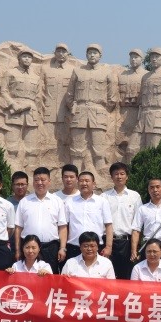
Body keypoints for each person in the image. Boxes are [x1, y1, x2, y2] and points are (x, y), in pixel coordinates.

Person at [65, 43, 118, 181]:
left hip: (98, 112)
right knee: (77, 146)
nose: (92, 55)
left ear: (100, 55)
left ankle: (101, 175)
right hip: (80, 111)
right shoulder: (78, 71)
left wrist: (102, 109)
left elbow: (112, 97)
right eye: (90, 53)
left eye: (95, 53)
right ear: (86, 55)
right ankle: (74, 174)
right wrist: (74, 106)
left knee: (99, 146)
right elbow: (69, 95)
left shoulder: (107, 72)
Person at [14, 167, 68, 274]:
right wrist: (17, 250)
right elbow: (18, 228)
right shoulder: (24, 202)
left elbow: (62, 227)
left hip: (50, 248)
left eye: (43, 180)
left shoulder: (57, 201)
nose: (40, 183)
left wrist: (62, 248)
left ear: (49, 181)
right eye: (36, 180)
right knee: (27, 275)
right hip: (29, 248)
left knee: (49, 277)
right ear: (33, 182)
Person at [0, 48, 43, 165]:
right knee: (11, 146)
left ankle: (31, 170)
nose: (27, 59)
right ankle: (11, 168)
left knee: (32, 148)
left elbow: (38, 96)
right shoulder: (10, 73)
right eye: (24, 57)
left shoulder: (36, 77)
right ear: (19, 59)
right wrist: (12, 104)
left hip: (31, 112)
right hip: (15, 110)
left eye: (29, 57)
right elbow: (3, 91)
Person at [130, 177, 161, 279]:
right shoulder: (142, 209)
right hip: (149, 247)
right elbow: (136, 230)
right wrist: (134, 250)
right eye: (152, 187)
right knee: (146, 274)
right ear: (148, 190)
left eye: (158, 187)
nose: (155, 190)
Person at [103, 162, 142, 279]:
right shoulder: (104, 197)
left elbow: (137, 224)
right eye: (116, 174)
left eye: (122, 174)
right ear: (111, 177)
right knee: (108, 275)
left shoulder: (134, 196)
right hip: (108, 242)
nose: (119, 177)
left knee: (127, 276)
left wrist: (134, 248)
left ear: (127, 176)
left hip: (127, 243)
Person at [65, 171, 113, 258]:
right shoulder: (70, 202)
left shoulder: (102, 202)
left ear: (93, 184)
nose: (84, 183)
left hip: (95, 247)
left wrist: (108, 247)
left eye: (87, 181)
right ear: (77, 183)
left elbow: (109, 225)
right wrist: (63, 247)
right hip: (74, 247)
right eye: (81, 181)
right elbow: (65, 226)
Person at [117, 48, 146, 163]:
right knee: (120, 144)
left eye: (136, 57)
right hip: (122, 113)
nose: (133, 59)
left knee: (136, 145)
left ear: (142, 59)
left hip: (138, 113)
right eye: (131, 57)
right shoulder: (122, 75)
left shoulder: (146, 75)